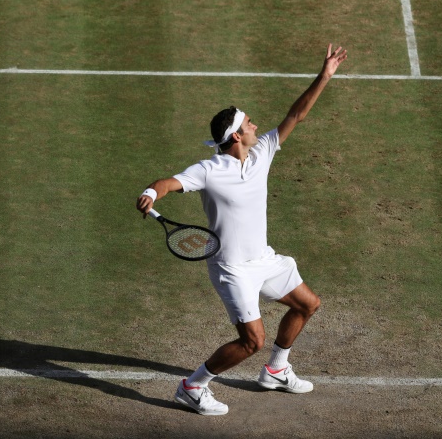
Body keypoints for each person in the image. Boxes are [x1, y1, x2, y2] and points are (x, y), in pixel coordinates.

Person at [136, 44, 348, 416]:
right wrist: (152, 192)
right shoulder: (208, 170)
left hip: (263, 259)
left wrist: (325, 75)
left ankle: (277, 369)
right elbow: (168, 182)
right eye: (248, 123)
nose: (255, 126)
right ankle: (192, 386)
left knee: (307, 304)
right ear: (236, 136)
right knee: (252, 341)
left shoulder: (262, 151)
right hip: (231, 268)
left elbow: (296, 115)